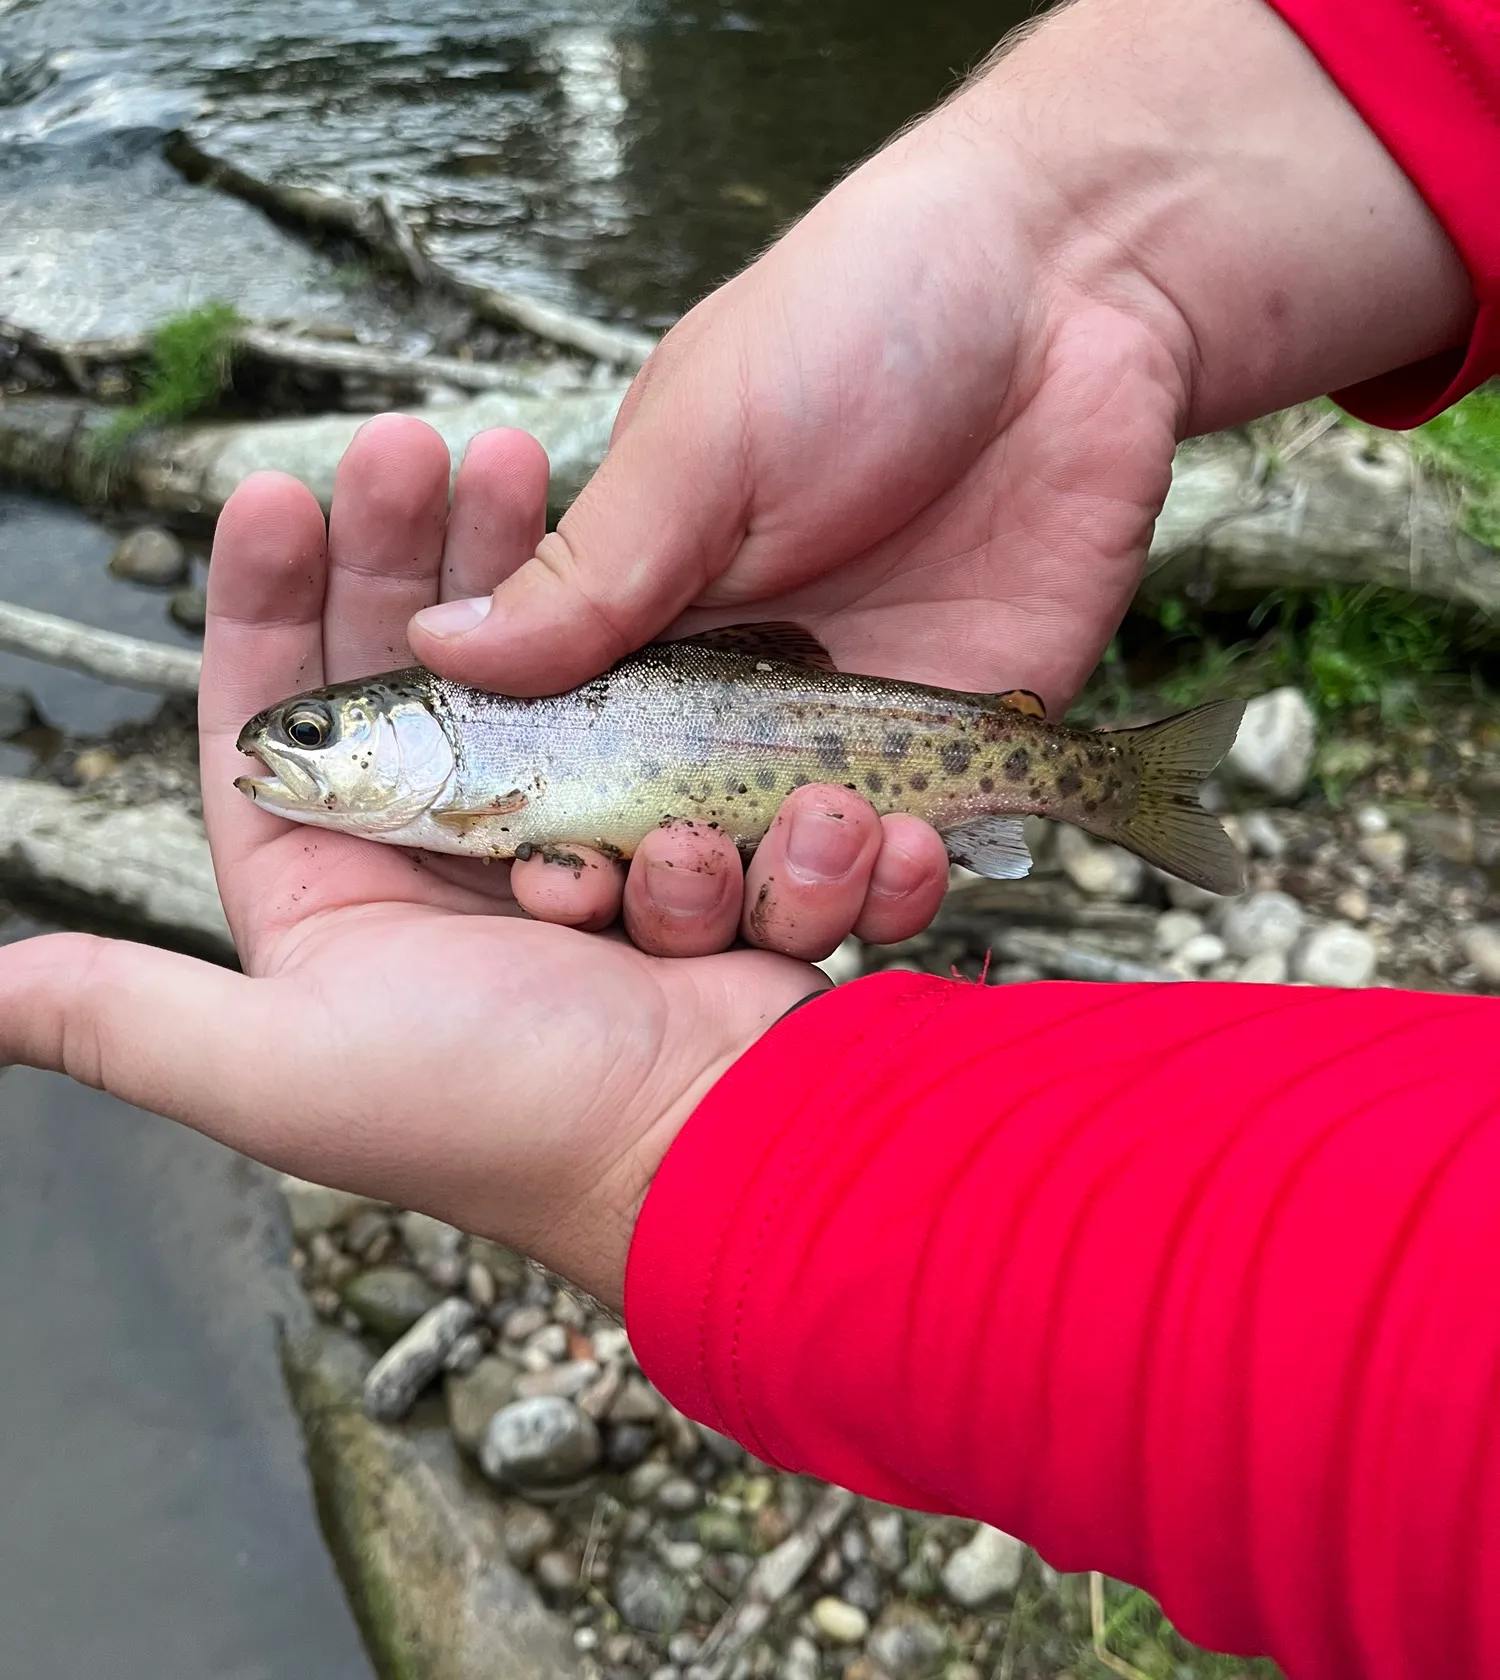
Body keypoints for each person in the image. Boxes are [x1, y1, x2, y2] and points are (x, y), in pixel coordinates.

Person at [1, 0, 1496, 1672]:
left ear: (425, 730)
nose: (293, 757)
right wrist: (1068, 243)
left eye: (321, 739)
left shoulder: (482, 763)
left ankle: (1105, 782)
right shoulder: (472, 772)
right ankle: (1104, 781)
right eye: (308, 743)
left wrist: (1077, 236)